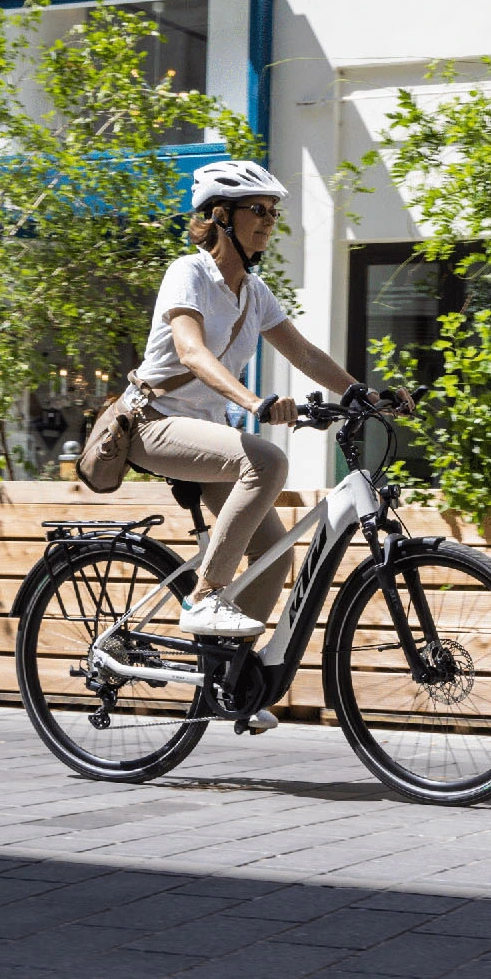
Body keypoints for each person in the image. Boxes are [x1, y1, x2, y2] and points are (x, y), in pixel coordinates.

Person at [127, 159, 399, 643]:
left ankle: (232, 681)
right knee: (269, 461)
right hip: (152, 423)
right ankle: (206, 596)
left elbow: (302, 352)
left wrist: (363, 393)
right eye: (259, 210)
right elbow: (191, 351)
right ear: (220, 216)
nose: (270, 222)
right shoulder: (188, 273)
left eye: (273, 213)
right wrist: (254, 403)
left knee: (275, 553)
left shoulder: (254, 293)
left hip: (205, 433)